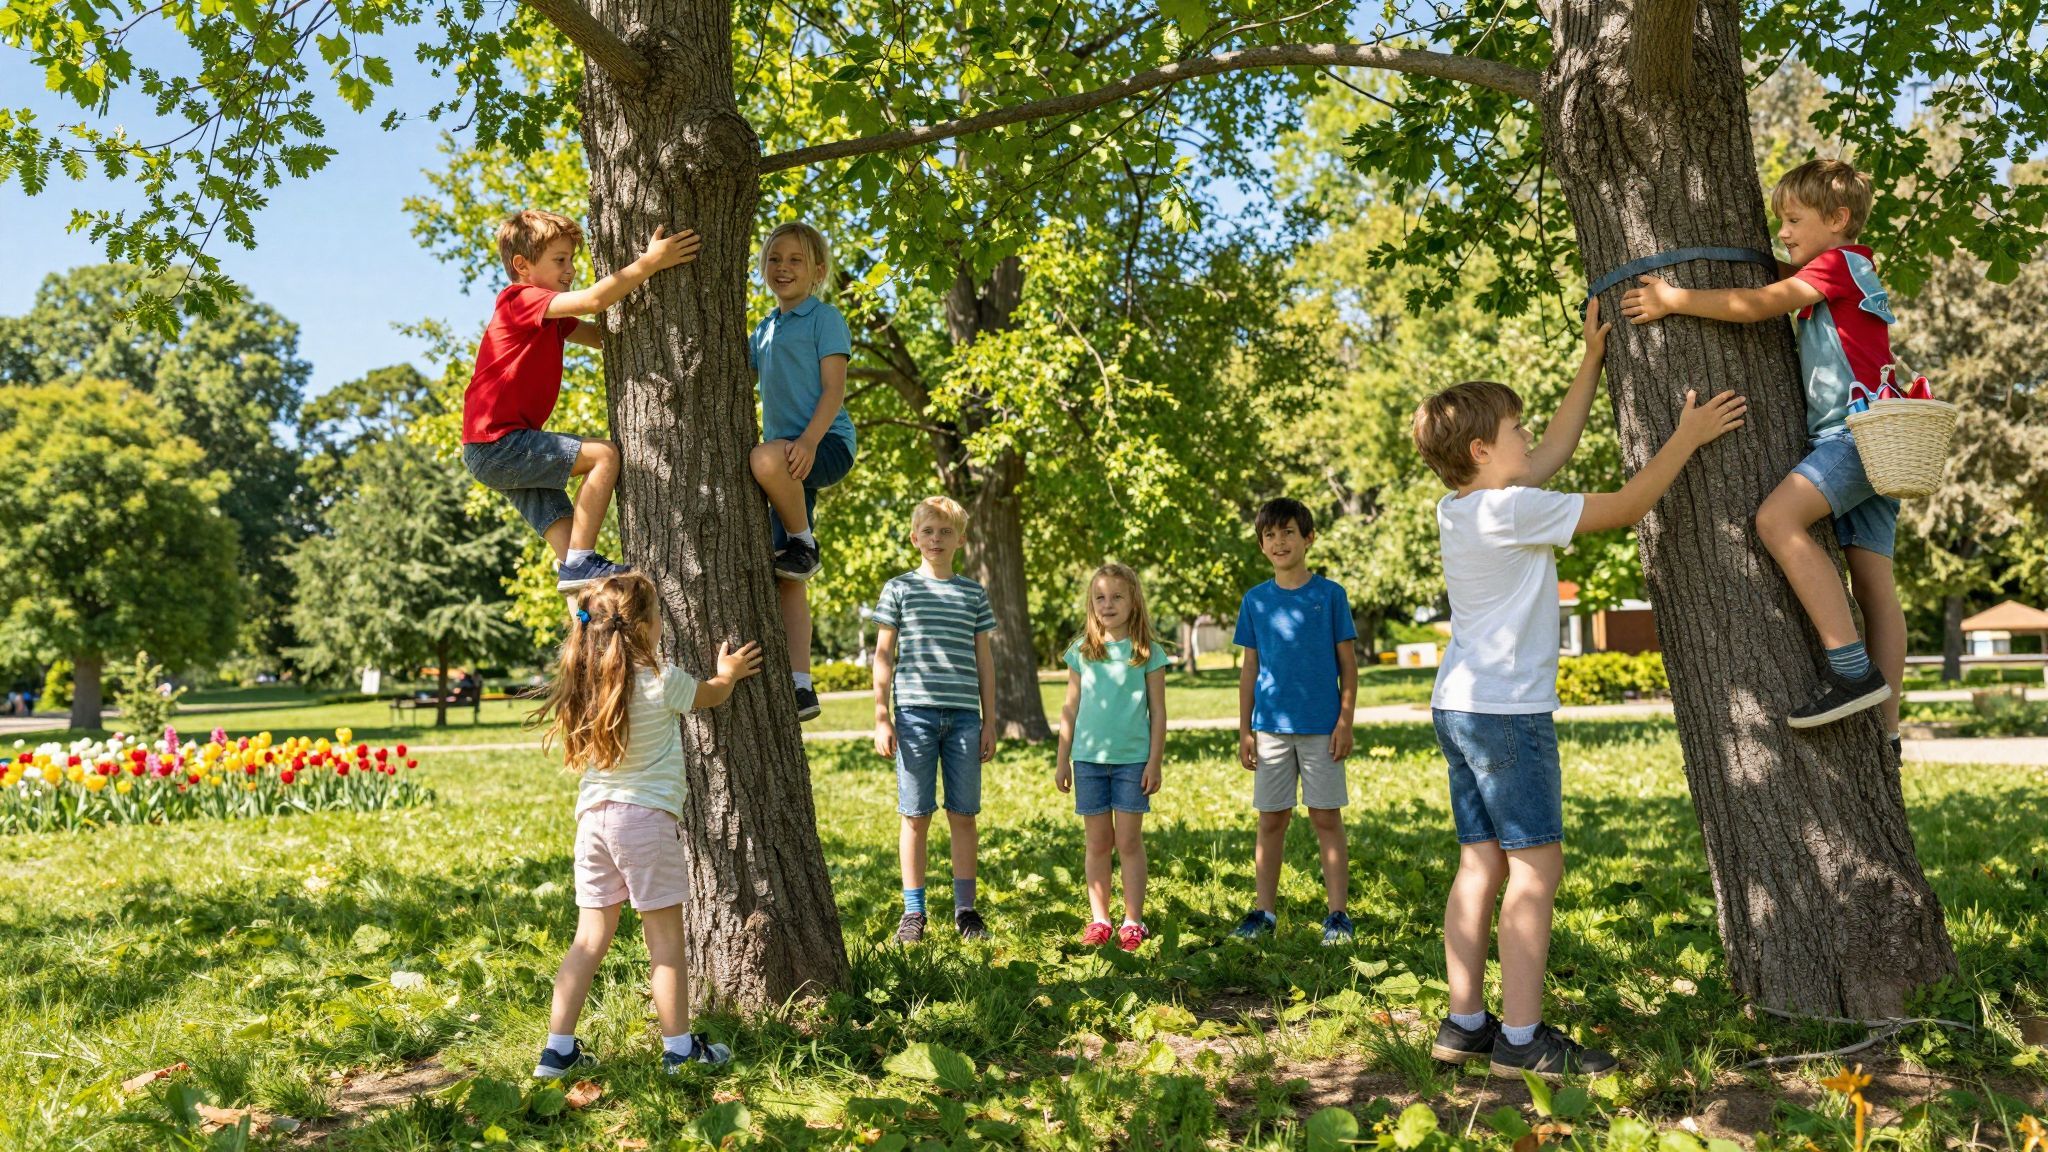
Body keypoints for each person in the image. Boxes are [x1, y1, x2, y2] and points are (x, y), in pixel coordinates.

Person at [1411, 299, 1746, 1079]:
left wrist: (1590, 361)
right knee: (1536, 869)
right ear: (1487, 450)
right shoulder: (1514, 509)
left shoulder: (1462, 506)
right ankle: (1522, 1041)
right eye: (1518, 430)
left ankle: (1465, 1024)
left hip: (1457, 705)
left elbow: (1549, 454)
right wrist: (1686, 438)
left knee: (1480, 863)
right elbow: (1629, 506)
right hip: (1506, 715)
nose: (1532, 438)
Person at [1621, 160, 1904, 745]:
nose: (1785, 233)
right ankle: (1889, 729)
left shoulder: (1835, 265)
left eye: (1795, 221)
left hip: (1852, 437)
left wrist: (1675, 298)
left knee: (1777, 519)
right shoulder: (1849, 270)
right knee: (1875, 583)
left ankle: (1852, 671)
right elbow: (1773, 281)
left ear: (1839, 218)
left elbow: (1756, 304)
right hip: (1881, 440)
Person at [526, 572, 762, 1078]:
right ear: (647, 627)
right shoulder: (661, 680)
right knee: (665, 943)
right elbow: (713, 694)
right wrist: (729, 671)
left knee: (588, 939)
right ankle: (679, 1050)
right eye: (659, 616)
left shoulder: (588, 682)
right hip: (645, 823)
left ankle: (556, 1051)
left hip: (593, 822)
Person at [461, 209, 700, 591]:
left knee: (572, 556)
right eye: (560, 260)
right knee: (604, 455)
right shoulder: (518, 299)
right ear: (522, 266)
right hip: (499, 443)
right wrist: (651, 262)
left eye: (571, 259)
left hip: (496, 448)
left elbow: (603, 336)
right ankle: (581, 563)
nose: (570, 269)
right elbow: (592, 301)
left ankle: (583, 618)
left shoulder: (552, 316)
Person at [1230, 498, 1360, 946]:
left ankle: (1338, 915)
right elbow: (1250, 669)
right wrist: (1245, 728)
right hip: (1269, 729)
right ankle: (1264, 912)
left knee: (1326, 817)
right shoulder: (1256, 601)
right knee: (1271, 820)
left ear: (1308, 538)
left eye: (1288, 532)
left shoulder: (1330, 595)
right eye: (1270, 535)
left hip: (1322, 728)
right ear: (1262, 545)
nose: (1279, 541)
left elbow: (1348, 665)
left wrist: (1345, 721)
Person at [872, 496, 998, 944]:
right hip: (913, 717)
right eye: (928, 531)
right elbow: (884, 654)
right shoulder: (899, 589)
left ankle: (966, 911)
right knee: (915, 815)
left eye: (945, 532)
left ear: (960, 539)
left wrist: (990, 720)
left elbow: (984, 660)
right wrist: (882, 715)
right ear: (914, 537)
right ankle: (914, 912)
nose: (936, 539)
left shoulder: (972, 593)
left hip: (965, 718)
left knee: (963, 815)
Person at [748, 222, 857, 723]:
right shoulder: (764, 329)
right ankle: (801, 686)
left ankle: (804, 541)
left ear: (817, 272)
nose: (783, 268)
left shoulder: (825, 318)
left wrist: (811, 440)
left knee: (765, 457)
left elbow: (833, 389)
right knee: (786, 576)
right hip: (787, 467)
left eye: (795, 260)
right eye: (774, 259)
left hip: (824, 445)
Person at [1054, 562, 1170, 951]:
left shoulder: (1148, 653)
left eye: (1117, 596)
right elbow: (1069, 709)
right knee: (1098, 843)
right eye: (1100, 597)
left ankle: (1133, 921)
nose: (1108, 604)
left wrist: (1155, 761)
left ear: (1134, 601)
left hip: (1133, 762)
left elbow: (1158, 712)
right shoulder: (1082, 653)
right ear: (1091, 603)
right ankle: (1100, 919)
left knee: (1130, 842)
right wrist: (1062, 759)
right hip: (1088, 762)